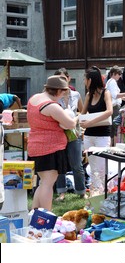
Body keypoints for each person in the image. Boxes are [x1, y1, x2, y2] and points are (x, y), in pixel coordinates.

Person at [27, 75, 78, 211]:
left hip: (35, 146)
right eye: (62, 93)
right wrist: (76, 118)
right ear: (59, 91)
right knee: (48, 184)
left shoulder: (34, 99)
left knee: (43, 183)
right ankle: (46, 217)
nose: (62, 96)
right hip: (50, 148)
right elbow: (70, 123)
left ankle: (34, 214)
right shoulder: (51, 106)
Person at [54, 68, 87, 201]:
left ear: (68, 78)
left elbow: (82, 111)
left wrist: (78, 120)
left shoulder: (76, 94)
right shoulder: (55, 97)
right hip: (59, 134)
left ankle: (81, 191)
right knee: (60, 164)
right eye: (59, 80)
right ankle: (61, 192)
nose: (62, 81)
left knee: (77, 164)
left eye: (63, 78)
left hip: (74, 134)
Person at [80, 66, 113, 197]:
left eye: (85, 79)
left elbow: (109, 111)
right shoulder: (89, 94)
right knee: (93, 166)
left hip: (102, 135)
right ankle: (95, 194)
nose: (83, 81)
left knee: (102, 167)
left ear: (90, 80)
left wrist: (90, 123)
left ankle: (104, 193)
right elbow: (82, 114)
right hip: (89, 135)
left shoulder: (106, 93)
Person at [105, 65, 125, 146]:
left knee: (113, 126)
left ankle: (112, 145)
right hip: (114, 107)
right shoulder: (113, 82)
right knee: (115, 126)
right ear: (114, 74)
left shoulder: (109, 81)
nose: (120, 76)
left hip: (113, 105)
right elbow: (115, 95)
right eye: (119, 74)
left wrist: (123, 97)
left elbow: (113, 95)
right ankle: (113, 145)